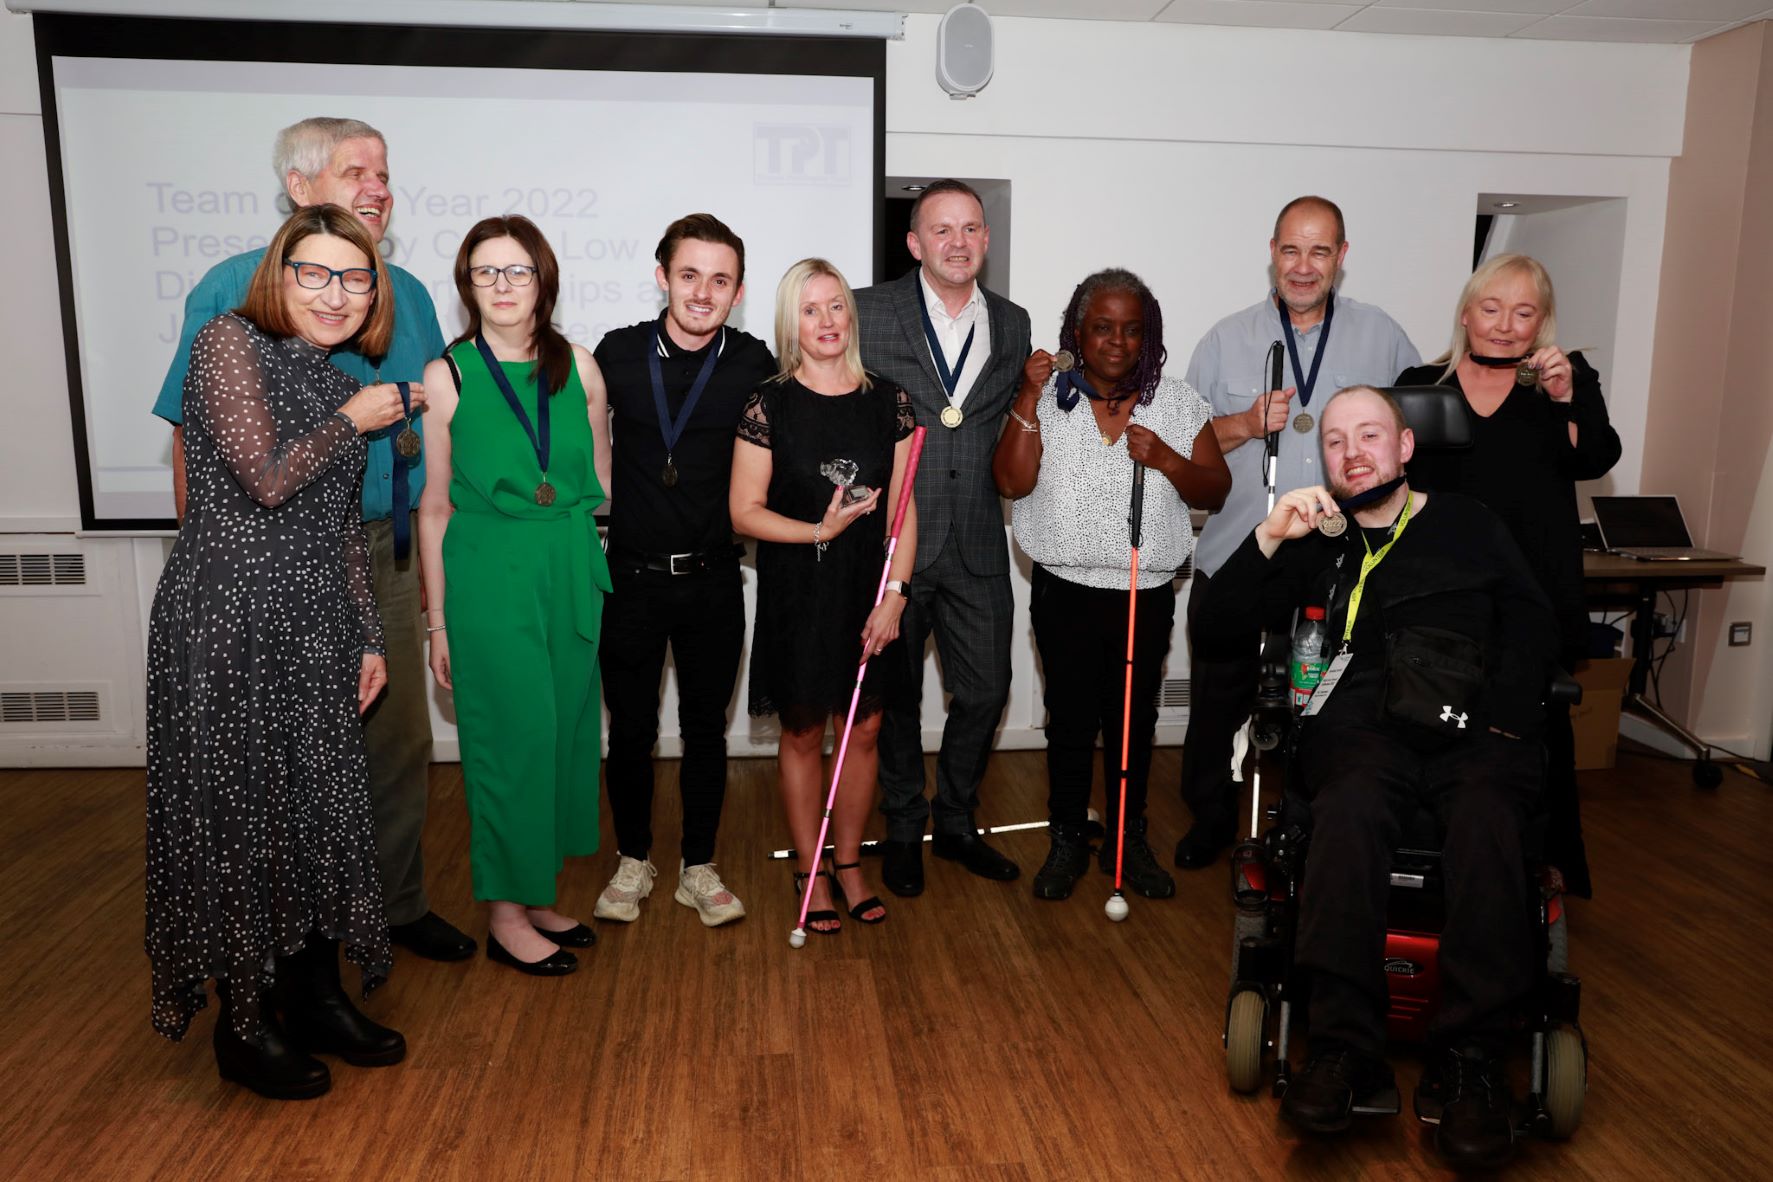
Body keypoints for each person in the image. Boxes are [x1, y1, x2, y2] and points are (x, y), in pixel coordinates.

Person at [1196, 386, 1558, 1172]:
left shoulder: (1468, 524)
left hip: (1470, 727)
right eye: (1334, 441)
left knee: (1488, 819)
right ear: (1320, 458)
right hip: (1360, 729)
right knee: (1348, 808)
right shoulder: (1316, 540)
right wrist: (1267, 534)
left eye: (1368, 435)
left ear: (1404, 447)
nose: (1351, 451)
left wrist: (1501, 718)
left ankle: (1470, 1061)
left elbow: (1533, 624)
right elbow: (1214, 627)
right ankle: (1341, 1050)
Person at [151, 117, 472, 961]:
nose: (377, 187)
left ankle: (392, 907)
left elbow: (437, 425)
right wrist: (214, 568)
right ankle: (291, 946)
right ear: (299, 188)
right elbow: (195, 439)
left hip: (379, 547)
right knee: (279, 761)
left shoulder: (403, 289)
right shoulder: (230, 290)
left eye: (385, 173)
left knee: (396, 738)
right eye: (355, 170)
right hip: (264, 565)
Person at [146, 204, 416, 1099]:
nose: (336, 295)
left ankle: (315, 996)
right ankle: (245, 1022)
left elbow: (338, 523)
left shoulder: (327, 368)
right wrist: (352, 420)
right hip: (228, 617)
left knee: (317, 807)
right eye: (316, 273)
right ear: (279, 272)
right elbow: (263, 483)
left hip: (312, 622)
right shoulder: (229, 341)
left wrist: (369, 636)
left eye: (354, 277)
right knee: (242, 816)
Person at [1178, 195, 1421, 871]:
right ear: (1272, 253)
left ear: (1341, 257)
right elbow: (1187, 450)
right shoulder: (1225, 340)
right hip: (1243, 548)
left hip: (1341, 556)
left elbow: (1413, 439)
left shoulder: (1384, 338)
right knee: (1218, 689)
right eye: (1291, 250)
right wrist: (1244, 425)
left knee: (1329, 693)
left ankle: (1314, 819)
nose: (1303, 266)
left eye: (1319, 251)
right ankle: (1209, 816)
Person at [417, 217, 613, 975]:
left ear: (544, 279)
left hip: (566, 566)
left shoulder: (582, 369)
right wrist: (437, 623)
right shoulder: (449, 376)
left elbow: (595, 483)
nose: (502, 286)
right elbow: (433, 507)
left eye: (517, 271)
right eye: (485, 273)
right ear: (468, 286)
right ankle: (503, 912)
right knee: (509, 742)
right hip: (487, 574)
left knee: (562, 739)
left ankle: (535, 893)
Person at [994, 269, 1229, 901]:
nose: (1118, 341)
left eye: (1132, 329)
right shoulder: (1045, 398)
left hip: (1142, 593)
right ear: (1078, 331)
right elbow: (1012, 484)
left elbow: (1217, 488)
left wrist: (1168, 460)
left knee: (1132, 723)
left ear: (1148, 335)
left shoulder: (1175, 403)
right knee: (1069, 719)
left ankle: (1128, 841)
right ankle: (1068, 837)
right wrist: (1024, 395)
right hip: (1064, 589)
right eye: (1103, 327)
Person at [1399, 253, 1620, 898]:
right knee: (1432, 719)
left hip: (1534, 596)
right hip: (1440, 595)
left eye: (1523, 313)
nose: (1504, 325)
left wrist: (1563, 399)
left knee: (1532, 730)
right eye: (1491, 309)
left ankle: (1538, 867)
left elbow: (1597, 457)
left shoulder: (1569, 380)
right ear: (1466, 314)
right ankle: (1431, 856)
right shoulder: (1420, 382)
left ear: (1543, 321)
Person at [591, 215, 776, 929]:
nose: (703, 292)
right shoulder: (616, 354)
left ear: (737, 291)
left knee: (706, 732)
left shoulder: (755, 362)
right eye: (690, 274)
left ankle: (699, 864)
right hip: (630, 579)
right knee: (629, 732)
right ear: (662, 275)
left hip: (712, 580)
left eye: (720, 279)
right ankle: (632, 858)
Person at [855, 179, 1032, 897]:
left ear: (985, 240)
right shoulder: (867, 311)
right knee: (893, 699)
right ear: (914, 242)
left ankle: (955, 820)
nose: (956, 243)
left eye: (969, 229)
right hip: (895, 537)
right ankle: (903, 826)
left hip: (980, 542)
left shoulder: (1014, 322)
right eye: (941, 230)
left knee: (988, 689)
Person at [731, 258, 918, 934]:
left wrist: (895, 593)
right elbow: (743, 512)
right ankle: (808, 871)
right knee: (805, 731)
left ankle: (848, 866)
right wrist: (820, 527)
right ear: (790, 322)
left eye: (835, 305)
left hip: (870, 589)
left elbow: (903, 512)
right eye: (809, 310)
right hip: (798, 592)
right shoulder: (768, 403)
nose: (826, 321)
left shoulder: (888, 399)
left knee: (864, 729)